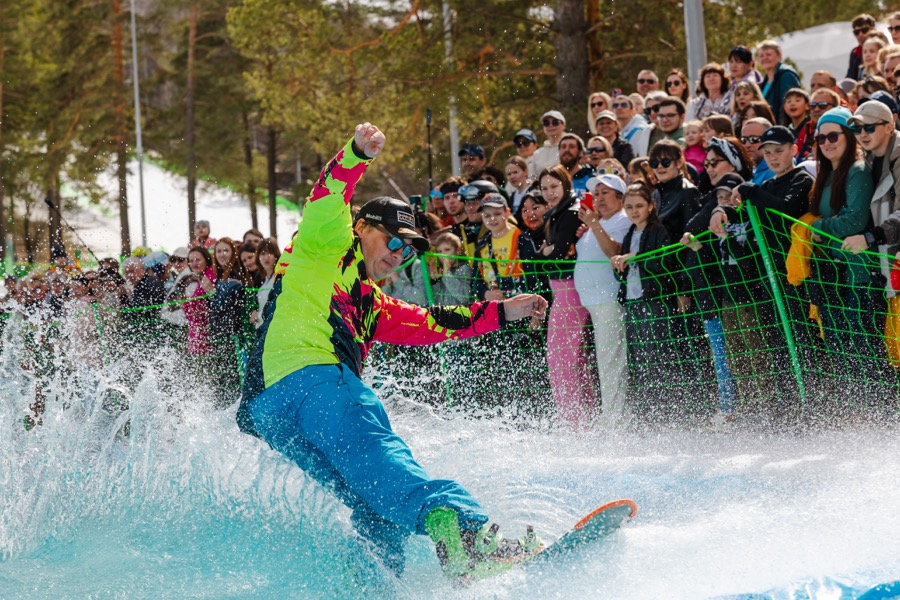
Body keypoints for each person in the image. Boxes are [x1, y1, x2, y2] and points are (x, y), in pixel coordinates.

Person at [236, 123, 548, 580]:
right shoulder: (328, 242)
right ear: (362, 227)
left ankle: (375, 582)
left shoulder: (371, 303)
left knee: (370, 497)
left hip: (269, 410)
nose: (398, 254)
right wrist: (357, 153)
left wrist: (501, 312)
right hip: (315, 381)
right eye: (393, 241)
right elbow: (328, 193)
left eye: (407, 251)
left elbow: (433, 323)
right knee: (381, 458)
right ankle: (469, 537)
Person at [807, 107, 878, 374]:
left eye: (833, 136)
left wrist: (819, 226)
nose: (826, 143)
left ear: (849, 136)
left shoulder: (857, 171)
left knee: (861, 348)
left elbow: (855, 221)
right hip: (830, 273)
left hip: (856, 275)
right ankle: (848, 401)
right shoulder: (825, 175)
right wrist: (827, 226)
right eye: (821, 138)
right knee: (837, 348)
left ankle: (876, 400)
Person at [610, 183, 686, 420]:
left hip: (654, 300)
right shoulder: (629, 234)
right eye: (629, 207)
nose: (634, 211)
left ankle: (663, 408)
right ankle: (645, 410)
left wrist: (635, 257)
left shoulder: (659, 231)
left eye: (639, 206)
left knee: (656, 354)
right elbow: (623, 274)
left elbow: (663, 264)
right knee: (638, 356)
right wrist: (618, 265)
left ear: (651, 206)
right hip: (632, 301)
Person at [839, 102, 900, 367]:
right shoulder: (867, 159)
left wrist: (869, 238)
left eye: (870, 127)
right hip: (887, 263)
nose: (863, 134)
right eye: (858, 129)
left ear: (889, 126)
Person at [537, 164, 596, 424]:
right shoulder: (559, 212)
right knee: (573, 356)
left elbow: (558, 254)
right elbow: (547, 254)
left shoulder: (570, 212)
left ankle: (572, 420)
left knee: (560, 357)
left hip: (569, 289)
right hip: (564, 289)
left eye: (554, 186)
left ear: (565, 184)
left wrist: (546, 252)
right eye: (544, 188)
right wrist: (546, 252)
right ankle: (583, 416)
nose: (549, 192)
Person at [574, 174, 632, 427]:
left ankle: (616, 420)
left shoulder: (623, 219)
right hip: (593, 301)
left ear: (620, 197)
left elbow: (614, 253)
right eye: (595, 194)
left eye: (604, 193)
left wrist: (594, 225)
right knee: (603, 359)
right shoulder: (598, 223)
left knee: (612, 360)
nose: (598, 198)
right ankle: (611, 415)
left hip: (608, 298)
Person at [758, 40, 801, 125]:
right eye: (761, 56)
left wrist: (781, 128)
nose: (765, 58)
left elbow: (787, 107)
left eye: (768, 54)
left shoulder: (787, 76)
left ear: (779, 56)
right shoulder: (764, 82)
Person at [251, 238, 281, 327]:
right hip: (262, 327)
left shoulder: (279, 278)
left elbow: (276, 308)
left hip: (273, 327)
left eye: (270, 253)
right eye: (263, 253)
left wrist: (258, 315)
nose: (266, 257)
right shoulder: (264, 279)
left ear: (276, 255)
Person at [741, 117, 776, 185]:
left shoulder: (776, 170)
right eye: (743, 140)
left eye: (754, 139)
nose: (747, 145)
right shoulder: (750, 170)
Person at [532, 110, 567, 175]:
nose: (550, 125)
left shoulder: (572, 147)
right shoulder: (537, 154)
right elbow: (532, 177)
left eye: (555, 122)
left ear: (564, 126)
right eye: (546, 123)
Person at [783, 88, 812, 159]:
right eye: (789, 101)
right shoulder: (785, 131)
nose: (792, 104)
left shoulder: (811, 127)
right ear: (785, 108)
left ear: (807, 105)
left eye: (797, 100)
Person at [848, 14, 877, 80]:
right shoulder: (855, 53)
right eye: (856, 32)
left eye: (864, 30)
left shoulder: (884, 49)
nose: (860, 34)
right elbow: (850, 78)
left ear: (874, 30)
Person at [505, 155, 531, 223]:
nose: (512, 177)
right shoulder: (512, 196)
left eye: (515, 172)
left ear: (525, 171)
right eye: (509, 174)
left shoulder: (533, 192)